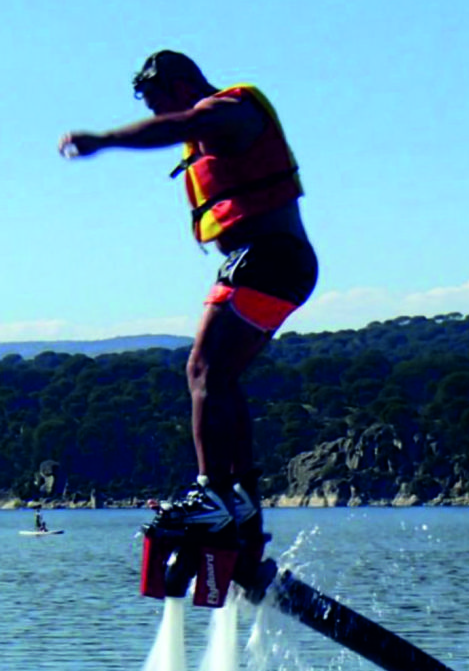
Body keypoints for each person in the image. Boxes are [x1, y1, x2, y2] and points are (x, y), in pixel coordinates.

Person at [61, 50, 317, 543]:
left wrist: (103, 140)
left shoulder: (230, 111)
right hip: (276, 262)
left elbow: (172, 127)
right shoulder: (212, 123)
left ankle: (212, 495)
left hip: (268, 258)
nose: (161, 116)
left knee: (201, 371)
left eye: (160, 104)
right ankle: (242, 506)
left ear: (181, 88)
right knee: (221, 377)